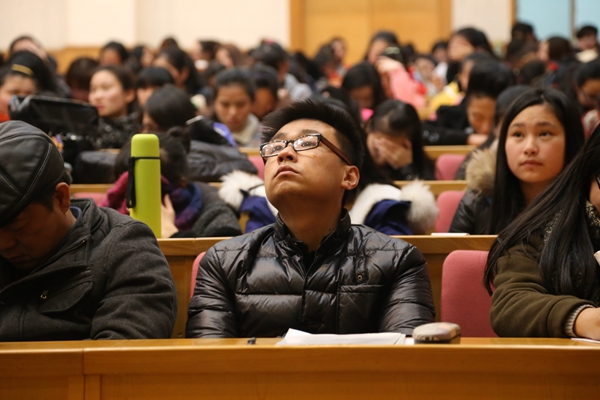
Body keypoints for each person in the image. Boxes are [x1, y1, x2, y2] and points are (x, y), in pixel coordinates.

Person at [187, 100, 435, 338]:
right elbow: (208, 361)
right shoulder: (223, 263)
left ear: (349, 176)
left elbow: (408, 359)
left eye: (306, 142)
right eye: (274, 148)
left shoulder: (398, 262)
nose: (285, 153)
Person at [0, 120, 177, 341]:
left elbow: (121, 355)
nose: (4, 244)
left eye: (16, 225)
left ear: (61, 198)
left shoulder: (126, 250)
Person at [485, 123, 600, 339]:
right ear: (588, 174)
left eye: (544, 133)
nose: (530, 147)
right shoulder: (541, 230)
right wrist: (584, 319)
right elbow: (511, 305)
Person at [449, 87, 585, 234]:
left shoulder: (591, 203)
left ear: (570, 140)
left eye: (544, 134)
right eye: (518, 134)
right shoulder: (480, 199)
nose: (529, 148)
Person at [104, 132, 242, 238]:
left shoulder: (216, 217)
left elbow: (228, 262)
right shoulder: (106, 215)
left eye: (148, 189)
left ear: (181, 183)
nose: (129, 204)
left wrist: (172, 234)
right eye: (125, 189)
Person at [366, 99, 435, 180]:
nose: (383, 157)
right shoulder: (355, 158)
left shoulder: (422, 166)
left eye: (393, 151)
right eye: (377, 148)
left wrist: (407, 169)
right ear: (368, 127)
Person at [89, 65, 138, 149]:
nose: (97, 96)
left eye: (106, 88)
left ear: (129, 94)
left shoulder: (142, 130)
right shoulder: (87, 134)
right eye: (93, 89)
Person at [212, 68, 261, 147]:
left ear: (253, 103)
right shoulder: (204, 138)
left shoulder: (268, 140)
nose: (233, 112)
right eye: (225, 104)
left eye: (240, 105)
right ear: (214, 102)